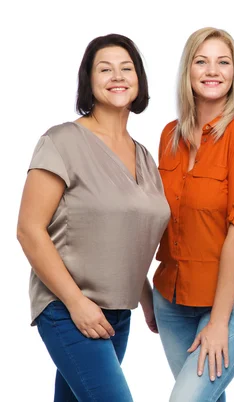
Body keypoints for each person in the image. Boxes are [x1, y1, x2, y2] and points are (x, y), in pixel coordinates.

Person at [16, 34, 170, 402]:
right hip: (67, 308)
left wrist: (145, 294)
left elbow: (122, 236)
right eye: (105, 69)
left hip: (119, 313)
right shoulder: (62, 141)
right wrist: (76, 303)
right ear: (89, 80)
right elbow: (28, 230)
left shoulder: (145, 156)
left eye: (126, 68)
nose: (117, 76)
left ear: (139, 80)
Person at [152, 27, 234, 402]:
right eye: (201, 61)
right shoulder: (170, 136)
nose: (212, 70)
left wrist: (220, 323)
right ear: (187, 70)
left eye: (223, 62)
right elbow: (158, 218)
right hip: (174, 299)